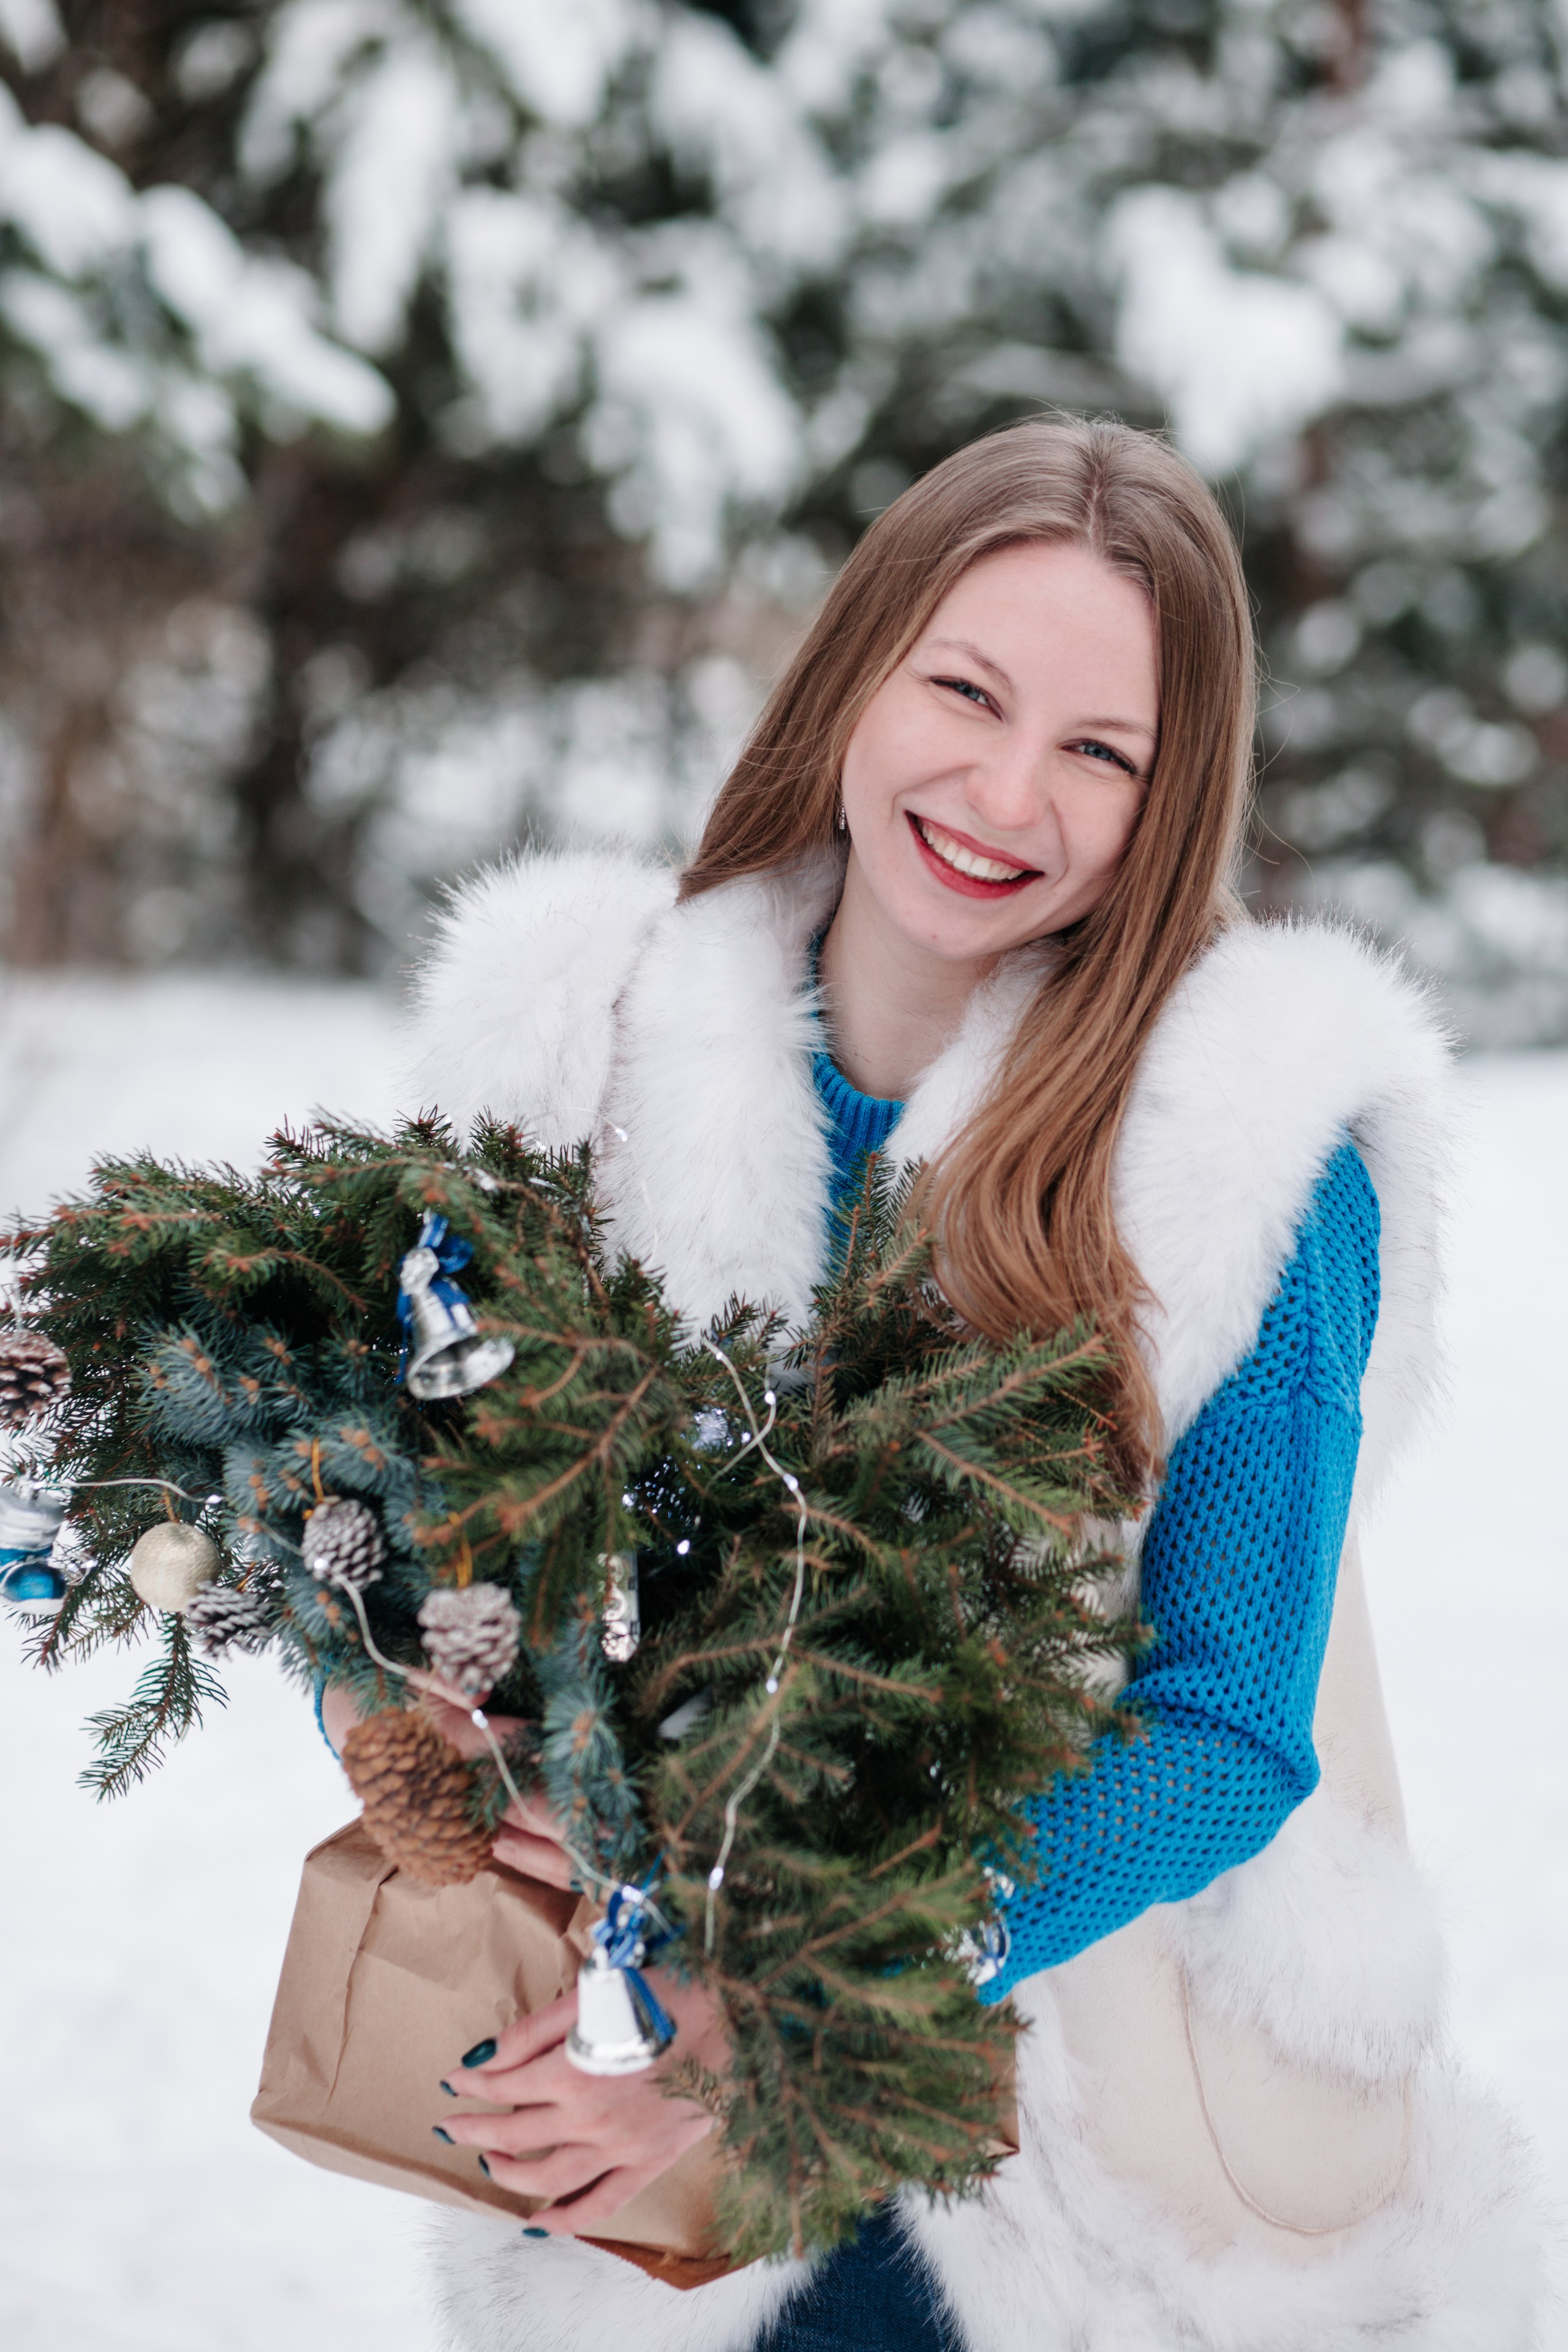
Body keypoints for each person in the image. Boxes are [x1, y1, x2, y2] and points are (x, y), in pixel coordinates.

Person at [390, 417, 1540, 2350]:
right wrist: (418, 1710)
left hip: (1072, 2150)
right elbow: (415, 1521)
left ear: (1172, 807)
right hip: (619, 2130)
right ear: (860, 667)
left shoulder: (1244, 1154)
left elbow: (1226, 1728)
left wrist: (798, 2009)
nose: (1010, 789)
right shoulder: (586, 1057)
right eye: (968, 691)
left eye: (1104, 752)